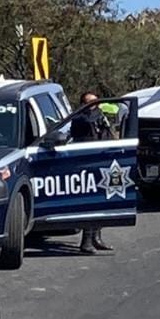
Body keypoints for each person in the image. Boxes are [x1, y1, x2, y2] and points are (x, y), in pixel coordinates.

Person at [70, 91, 114, 254]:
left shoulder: (100, 117)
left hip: (101, 162)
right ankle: (86, 241)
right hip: (85, 165)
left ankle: (96, 237)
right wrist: (94, 111)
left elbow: (106, 136)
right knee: (90, 203)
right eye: (91, 103)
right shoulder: (79, 118)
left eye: (97, 102)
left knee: (101, 202)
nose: (95, 106)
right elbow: (86, 122)